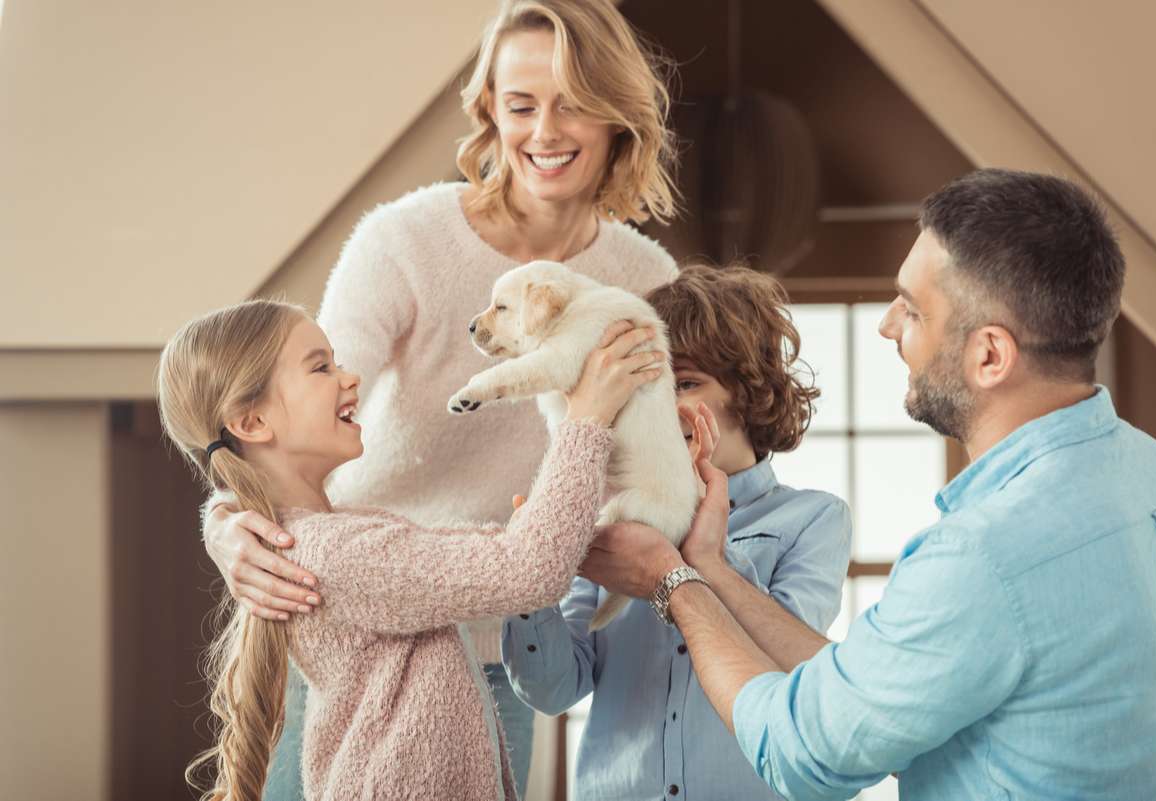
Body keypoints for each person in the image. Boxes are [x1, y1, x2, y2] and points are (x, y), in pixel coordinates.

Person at [578, 168, 1156, 799]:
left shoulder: (980, 556)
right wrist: (712, 567)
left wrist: (673, 583)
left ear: (990, 355)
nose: (887, 325)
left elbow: (802, 751)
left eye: (912, 307)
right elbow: (854, 695)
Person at [197, 1, 681, 796]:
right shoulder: (404, 242)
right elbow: (284, 418)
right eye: (522, 105)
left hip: (501, 647)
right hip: (348, 633)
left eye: (573, 102)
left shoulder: (644, 282)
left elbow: (667, 452)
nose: (545, 131)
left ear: (616, 114)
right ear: (490, 112)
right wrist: (225, 522)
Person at [160, 300, 665, 800]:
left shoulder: (340, 534)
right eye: (320, 367)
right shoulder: (334, 552)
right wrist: (588, 417)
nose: (349, 377)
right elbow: (531, 569)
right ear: (251, 424)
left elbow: (503, 554)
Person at [502, 264, 851, 800]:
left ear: (749, 388)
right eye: (648, 383)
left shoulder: (812, 519)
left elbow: (785, 664)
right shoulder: (612, 524)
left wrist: (698, 556)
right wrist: (528, 575)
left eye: (683, 383)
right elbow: (551, 688)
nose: (660, 404)